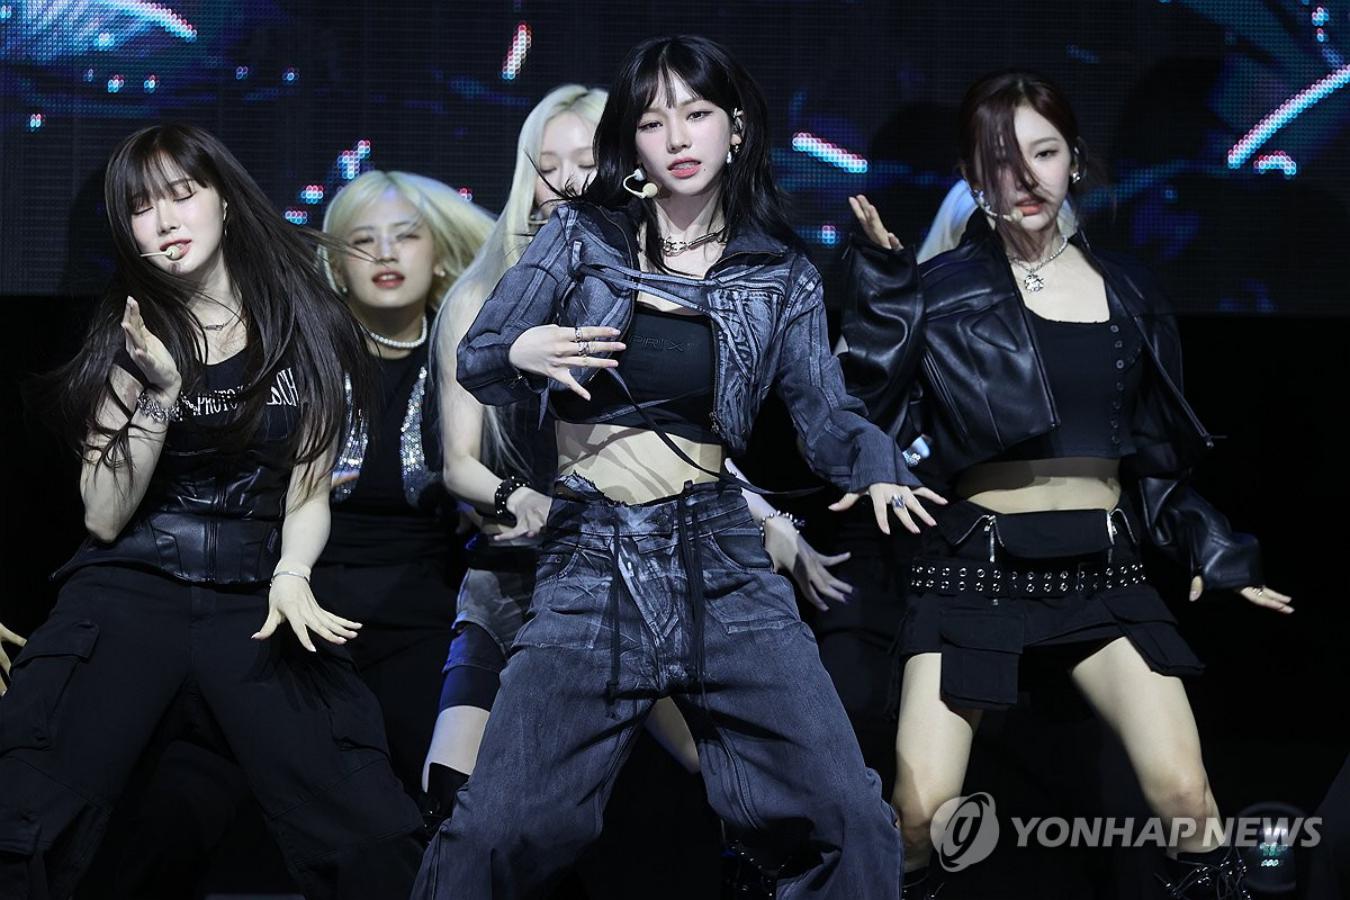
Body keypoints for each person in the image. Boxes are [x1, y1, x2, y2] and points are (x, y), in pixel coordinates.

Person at [415, 35, 942, 899]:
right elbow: (479, 358)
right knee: (495, 830)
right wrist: (524, 349)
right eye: (654, 122)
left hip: (720, 561)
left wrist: (878, 466)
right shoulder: (581, 236)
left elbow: (825, 417)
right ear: (632, 141)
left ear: (736, 129)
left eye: (696, 114)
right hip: (592, 559)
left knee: (849, 816)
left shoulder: (779, 274)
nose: (678, 137)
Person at [839, 70, 1291, 899]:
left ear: (1073, 161)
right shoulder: (937, 292)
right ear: (974, 179)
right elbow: (861, 408)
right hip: (976, 571)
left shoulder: (1131, 294)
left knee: (1188, 798)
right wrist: (883, 293)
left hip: (1102, 570)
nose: (1025, 177)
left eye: (1043, 154)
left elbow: (1154, 458)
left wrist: (1212, 546)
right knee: (917, 815)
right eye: (1000, 161)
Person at [0, 123, 423, 899]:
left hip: (255, 600)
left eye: (181, 194)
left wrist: (294, 573)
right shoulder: (128, 335)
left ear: (223, 201)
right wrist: (159, 394)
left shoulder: (307, 325)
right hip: (131, 592)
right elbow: (102, 514)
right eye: (141, 207)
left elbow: (308, 490)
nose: (164, 220)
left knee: (370, 831)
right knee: (28, 821)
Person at [318, 168, 493, 800]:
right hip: (313, 615)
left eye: (406, 236)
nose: (385, 254)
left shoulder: (471, 354)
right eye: (363, 241)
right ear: (339, 269)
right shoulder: (303, 356)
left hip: (425, 617)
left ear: (439, 256)